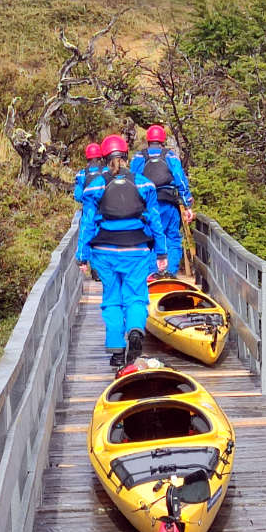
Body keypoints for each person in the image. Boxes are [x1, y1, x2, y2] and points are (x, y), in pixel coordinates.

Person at [77, 134, 168, 367]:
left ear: (105, 158)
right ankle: (136, 330)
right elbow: (155, 220)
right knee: (136, 296)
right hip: (137, 249)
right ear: (126, 156)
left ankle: (117, 351)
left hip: (104, 250)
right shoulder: (143, 183)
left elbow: (88, 222)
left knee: (111, 299)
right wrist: (162, 253)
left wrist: (82, 256)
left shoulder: (96, 184)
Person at [130, 124, 194, 276]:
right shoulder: (170, 156)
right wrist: (188, 204)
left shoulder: (139, 157)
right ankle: (170, 272)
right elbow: (180, 179)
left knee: (149, 237)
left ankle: (153, 272)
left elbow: (132, 180)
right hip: (169, 203)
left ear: (148, 140)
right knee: (172, 237)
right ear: (162, 140)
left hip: (147, 205)